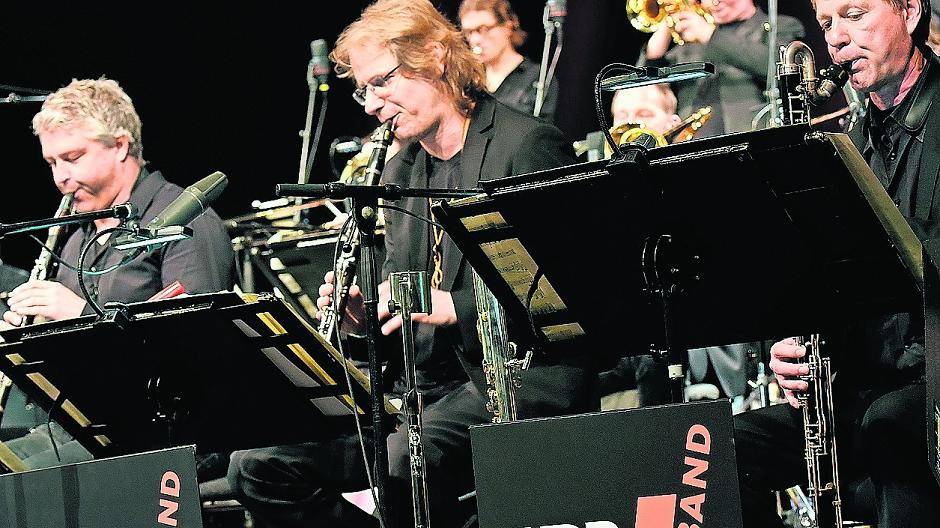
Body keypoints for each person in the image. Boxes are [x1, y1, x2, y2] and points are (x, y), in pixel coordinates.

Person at [226, 1, 595, 527]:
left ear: (438, 57)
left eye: (382, 82)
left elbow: (572, 293)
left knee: (406, 461)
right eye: (363, 90)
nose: (372, 104)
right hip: (420, 394)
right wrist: (362, 322)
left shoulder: (524, 145)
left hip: (511, 383)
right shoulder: (403, 168)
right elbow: (407, 311)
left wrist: (458, 308)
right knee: (258, 467)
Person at [734, 1, 940, 526]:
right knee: (729, 450)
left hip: (929, 383)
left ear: (911, 12)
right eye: (827, 23)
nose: (837, 38)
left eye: (855, 14)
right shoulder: (847, 142)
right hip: (867, 388)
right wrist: (793, 345)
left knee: (888, 425)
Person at [0, 77, 236, 469]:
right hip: (87, 426)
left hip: (168, 435)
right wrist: (32, 338)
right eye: (52, 163)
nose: (60, 177)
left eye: (73, 158)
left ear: (121, 146)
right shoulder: (79, 239)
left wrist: (79, 315)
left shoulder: (184, 220)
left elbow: (197, 352)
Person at [640, 0, 805, 136]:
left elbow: (779, 67)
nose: (712, 2)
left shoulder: (781, 26)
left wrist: (711, 35)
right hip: (692, 150)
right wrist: (666, 22)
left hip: (751, 141)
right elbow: (645, 85)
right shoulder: (690, 43)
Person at [458, 0, 559, 122]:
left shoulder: (537, 77)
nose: (475, 39)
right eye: (469, 32)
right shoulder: (470, 80)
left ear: (508, 26)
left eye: (483, 29)